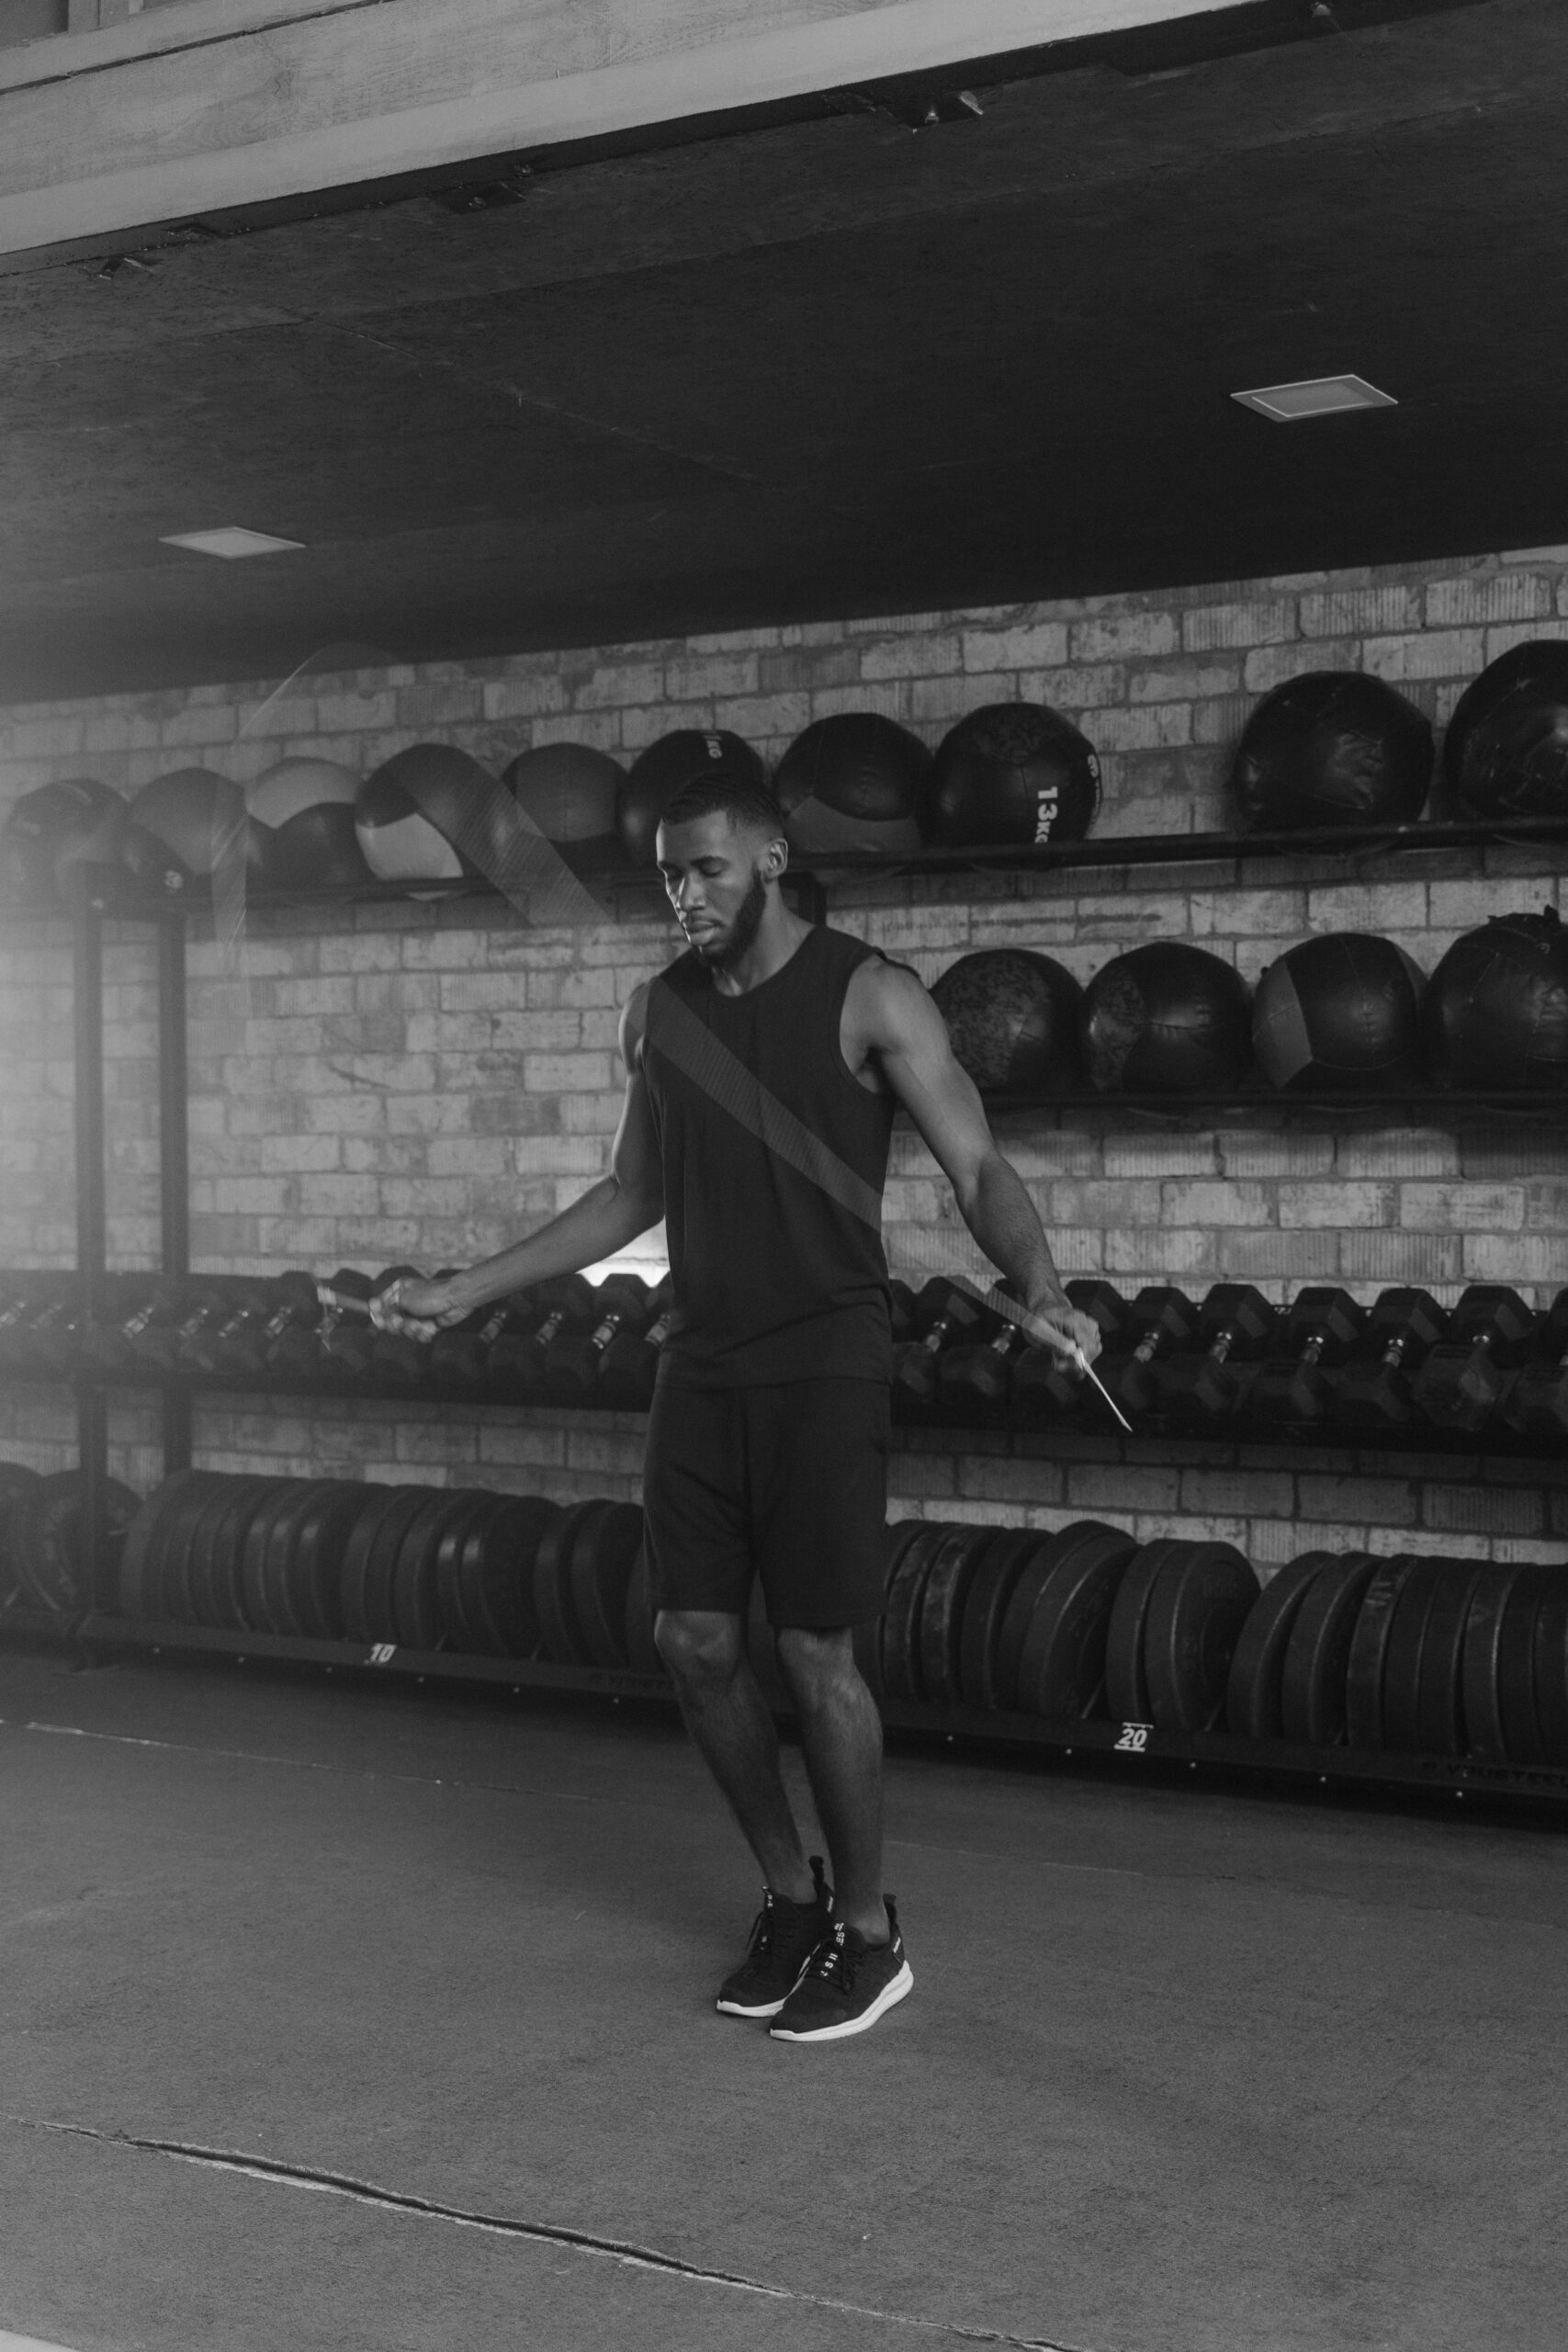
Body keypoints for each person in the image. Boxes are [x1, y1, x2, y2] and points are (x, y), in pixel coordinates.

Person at [373, 758, 1101, 2042]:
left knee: (816, 1652)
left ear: (768, 860)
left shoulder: (870, 996)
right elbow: (623, 1198)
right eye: (667, 878)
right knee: (694, 1643)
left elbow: (977, 1159)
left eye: (705, 870)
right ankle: (791, 1898)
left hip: (825, 1362)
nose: (683, 898)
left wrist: (1038, 1284)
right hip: (699, 1363)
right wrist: (465, 1289)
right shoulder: (660, 1011)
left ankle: (872, 1938)